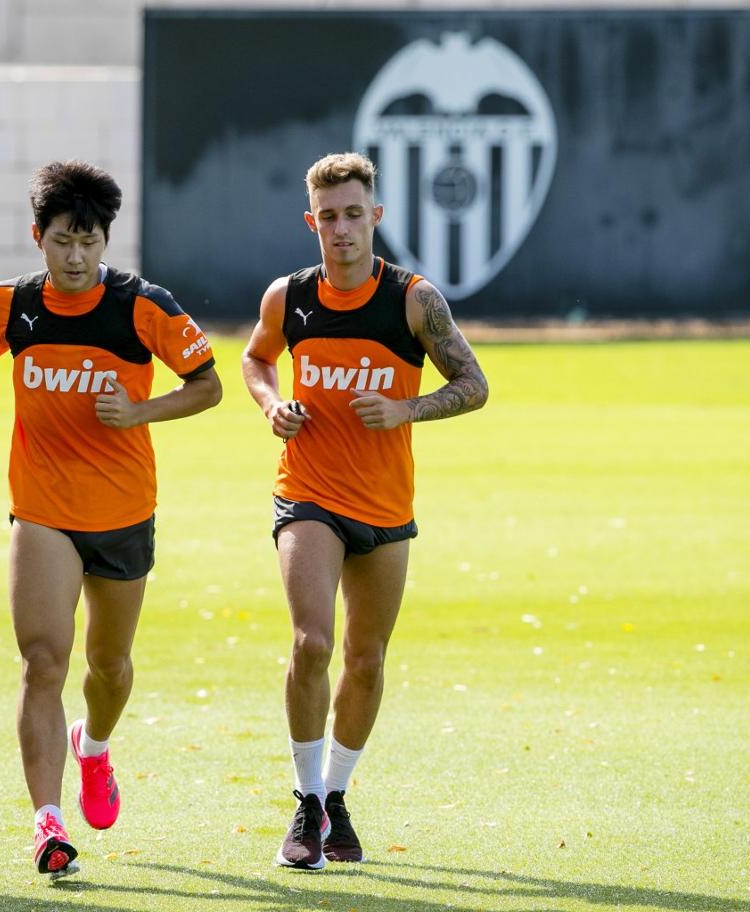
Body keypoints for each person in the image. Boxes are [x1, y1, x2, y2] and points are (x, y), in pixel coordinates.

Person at [0, 160, 222, 879]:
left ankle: (93, 746)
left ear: (106, 242)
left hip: (124, 511)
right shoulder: (11, 304)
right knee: (43, 661)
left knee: (110, 665)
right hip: (42, 508)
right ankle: (48, 823)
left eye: (89, 242)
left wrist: (141, 411)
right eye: (62, 241)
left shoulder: (143, 307)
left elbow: (208, 385)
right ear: (38, 236)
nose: (75, 257)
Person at [241, 152, 488, 870]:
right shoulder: (287, 297)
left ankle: (337, 798)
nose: (341, 229)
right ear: (310, 222)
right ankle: (305, 802)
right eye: (328, 218)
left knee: (367, 660)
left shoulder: (412, 300)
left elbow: (473, 383)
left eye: (354, 215)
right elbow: (256, 361)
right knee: (312, 644)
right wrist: (272, 404)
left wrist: (406, 407)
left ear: (375, 217)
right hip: (308, 494)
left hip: (384, 504)